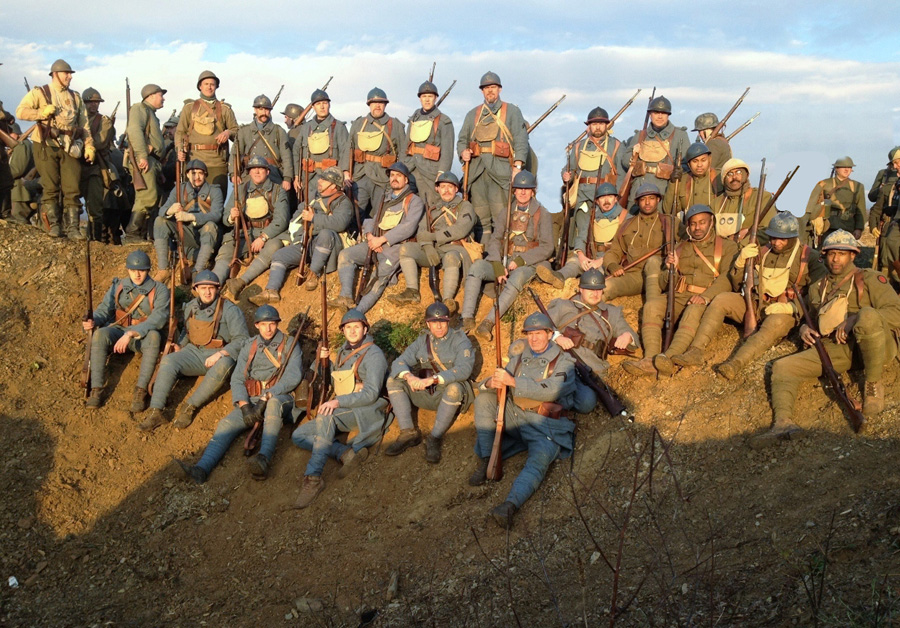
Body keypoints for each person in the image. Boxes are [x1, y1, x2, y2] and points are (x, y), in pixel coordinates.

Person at [757, 230, 900, 447]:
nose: (835, 259)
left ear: (853, 255)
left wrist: (855, 319)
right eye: (831, 254)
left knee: (868, 315)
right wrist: (804, 327)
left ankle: (872, 385)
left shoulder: (870, 278)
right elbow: (810, 316)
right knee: (783, 367)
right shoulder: (818, 287)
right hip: (838, 349)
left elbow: (896, 312)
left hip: (877, 346)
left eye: (842, 254)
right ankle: (783, 423)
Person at [669, 212, 826, 378]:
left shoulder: (810, 257)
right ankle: (696, 350)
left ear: (794, 237)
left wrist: (793, 308)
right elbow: (739, 284)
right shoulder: (762, 251)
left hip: (785, 310)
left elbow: (819, 293)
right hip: (757, 302)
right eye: (773, 237)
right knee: (722, 300)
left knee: (775, 324)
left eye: (782, 239)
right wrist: (740, 264)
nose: (776, 242)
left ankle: (736, 363)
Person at [468, 312, 576, 529]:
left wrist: (513, 382)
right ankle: (489, 459)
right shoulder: (520, 357)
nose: (534, 339)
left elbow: (552, 391)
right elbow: (487, 383)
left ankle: (510, 504)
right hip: (516, 416)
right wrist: (490, 384)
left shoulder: (564, 362)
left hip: (546, 424)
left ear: (549, 334)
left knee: (539, 460)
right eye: (530, 334)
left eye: (538, 333)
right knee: (485, 401)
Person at [176, 305, 302, 482]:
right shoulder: (249, 345)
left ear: (277, 324)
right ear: (257, 325)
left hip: (279, 397)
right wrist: (244, 406)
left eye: (272, 324)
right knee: (226, 424)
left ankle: (263, 458)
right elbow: (237, 379)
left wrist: (267, 396)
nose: (268, 328)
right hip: (252, 398)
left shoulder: (290, 344)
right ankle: (201, 468)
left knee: (273, 405)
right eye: (263, 324)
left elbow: (293, 376)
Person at [623, 204, 738, 377]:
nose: (697, 227)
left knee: (693, 309)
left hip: (704, 298)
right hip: (679, 295)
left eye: (702, 223)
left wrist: (705, 297)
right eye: (693, 224)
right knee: (652, 306)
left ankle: (667, 358)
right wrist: (672, 269)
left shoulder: (727, 247)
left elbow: (727, 278)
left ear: (711, 222)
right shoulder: (680, 247)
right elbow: (663, 283)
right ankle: (649, 359)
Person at [291, 309, 389, 509]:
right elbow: (336, 381)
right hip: (345, 409)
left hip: (367, 410)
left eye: (356, 327)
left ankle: (314, 478)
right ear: (343, 331)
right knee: (299, 435)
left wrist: (337, 402)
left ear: (365, 329)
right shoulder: (344, 351)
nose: (352, 331)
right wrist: (324, 361)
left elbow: (371, 394)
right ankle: (345, 453)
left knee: (326, 415)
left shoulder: (374, 354)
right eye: (348, 327)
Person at [139, 270, 249, 431]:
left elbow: (243, 339)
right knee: (169, 360)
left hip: (218, 354)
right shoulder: (191, 307)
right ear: (196, 289)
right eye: (203, 288)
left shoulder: (230, 310)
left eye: (211, 288)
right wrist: (180, 346)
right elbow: (187, 331)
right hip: (194, 351)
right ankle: (156, 411)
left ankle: (190, 407)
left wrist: (220, 353)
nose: (207, 292)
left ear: (218, 289)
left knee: (225, 363)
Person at [461, 170, 553, 340]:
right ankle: (466, 318)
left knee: (516, 278)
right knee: (477, 268)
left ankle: (488, 322)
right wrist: (496, 264)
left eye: (527, 189)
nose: (523, 192)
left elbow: (547, 247)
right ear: (514, 191)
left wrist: (521, 260)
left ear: (533, 191)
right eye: (519, 188)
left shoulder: (543, 214)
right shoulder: (506, 212)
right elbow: (495, 239)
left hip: (528, 263)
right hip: (504, 258)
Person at [384, 302, 475, 462]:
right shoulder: (422, 340)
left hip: (447, 394)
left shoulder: (460, 340)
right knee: (393, 381)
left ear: (448, 322)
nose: (438, 327)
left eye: (442, 322)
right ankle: (408, 432)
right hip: (426, 393)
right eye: (434, 322)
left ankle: (434, 437)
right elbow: (399, 362)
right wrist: (409, 377)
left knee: (454, 388)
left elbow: (464, 369)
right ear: (428, 323)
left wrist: (433, 379)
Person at [15, 59, 96, 238]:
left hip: (71, 145)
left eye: (70, 74)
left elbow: (84, 124)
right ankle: (54, 226)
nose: (69, 77)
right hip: (46, 144)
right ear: (55, 74)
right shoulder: (40, 92)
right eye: (66, 73)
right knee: (50, 186)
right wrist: (40, 114)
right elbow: (20, 111)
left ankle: (73, 228)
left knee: (72, 188)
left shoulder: (75, 97)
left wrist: (89, 146)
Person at [83, 251, 170, 412]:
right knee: (99, 334)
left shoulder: (160, 290)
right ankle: (96, 389)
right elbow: (104, 309)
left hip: (142, 336)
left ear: (148, 270)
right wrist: (92, 320)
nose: (137, 274)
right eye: (133, 270)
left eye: (142, 270)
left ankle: (141, 390)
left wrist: (131, 333)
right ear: (127, 270)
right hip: (118, 329)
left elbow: (158, 318)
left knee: (154, 337)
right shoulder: (118, 285)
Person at [332, 162, 424, 314]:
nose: (394, 179)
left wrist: (382, 240)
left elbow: (408, 227)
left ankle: (358, 313)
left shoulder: (414, 201)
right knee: (345, 255)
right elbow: (372, 220)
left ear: (406, 180)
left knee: (377, 278)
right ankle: (346, 296)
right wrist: (370, 236)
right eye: (392, 175)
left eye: (398, 176)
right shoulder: (385, 198)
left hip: (394, 248)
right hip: (374, 242)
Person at [251, 167, 352, 304]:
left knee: (325, 233)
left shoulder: (343, 202)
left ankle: (313, 273)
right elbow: (297, 217)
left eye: (324, 179)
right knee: (279, 256)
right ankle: (272, 290)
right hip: (305, 241)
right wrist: (300, 237)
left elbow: (339, 223)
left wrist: (314, 218)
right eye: (321, 178)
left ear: (334, 185)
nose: (320, 181)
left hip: (328, 245)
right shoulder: (313, 197)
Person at [546, 269, 638, 413]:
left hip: (588, 369)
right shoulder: (564, 305)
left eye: (598, 289)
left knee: (587, 402)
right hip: (560, 360)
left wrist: (627, 336)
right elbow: (541, 324)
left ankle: (553, 403)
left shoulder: (612, 313)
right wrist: (557, 337)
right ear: (581, 289)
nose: (595, 294)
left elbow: (632, 336)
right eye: (590, 289)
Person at [456, 72, 528, 243]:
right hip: (477, 172)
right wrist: (462, 152)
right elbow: (462, 140)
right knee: (481, 220)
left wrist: (517, 167)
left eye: (493, 87)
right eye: (486, 88)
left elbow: (521, 139)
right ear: (482, 91)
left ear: (499, 89)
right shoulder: (472, 114)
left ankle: (499, 261)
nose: (490, 91)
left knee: (501, 218)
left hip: (501, 171)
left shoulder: (512, 111)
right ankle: (483, 261)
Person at [391, 171, 476, 313]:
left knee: (451, 257)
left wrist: (434, 237)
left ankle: (448, 300)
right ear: (438, 189)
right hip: (435, 250)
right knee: (406, 249)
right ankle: (412, 291)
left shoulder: (465, 206)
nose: (446, 190)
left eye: (450, 187)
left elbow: (460, 230)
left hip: (455, 249)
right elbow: (422, 231)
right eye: (443, 187)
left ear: (456, 189)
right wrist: (427, 246)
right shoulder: (432, 208)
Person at [211, 156, 289, 299]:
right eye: (253, 169)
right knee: (226, 250)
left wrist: (263, 237)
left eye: (260, 169)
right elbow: (225, 219)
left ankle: (241, 281)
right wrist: (231, 217)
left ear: (267, 171)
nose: (257, 172)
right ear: (249, 172)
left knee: (274, 247)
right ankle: (211, 284)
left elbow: (281, 220)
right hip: (245, 233)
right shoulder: (240, 190)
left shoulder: (278, 190)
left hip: (269, 233)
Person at [536, 182, 628, 289]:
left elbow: (624, 248)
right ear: (597, 201)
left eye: (610, 196)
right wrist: (581, 256)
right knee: (574, 263)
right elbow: (582, 237)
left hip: (609, 260)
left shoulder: (625, 217)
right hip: (591, 257)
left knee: (600, 274)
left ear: (615, 199)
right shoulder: (592, 216)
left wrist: (601, 261)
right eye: (602, 197)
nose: (606, 201)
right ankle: (558, 276)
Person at [152, 158, 223, 281]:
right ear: (187, 174)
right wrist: (170, 210)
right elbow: (162, 210)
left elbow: (217, 214)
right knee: (160, 221)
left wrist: (192, 217)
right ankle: (163, 269)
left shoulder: (214, 190)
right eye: (193, 173)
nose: (197, 177)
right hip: (186, 234)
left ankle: (198, 270)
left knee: (210, 226)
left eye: (200, 173)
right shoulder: (179, 189)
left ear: (205, 175)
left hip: (206, 235)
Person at [599, 183, 669, 301]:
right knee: (606, 287)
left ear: (658, 200)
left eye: (651, 198)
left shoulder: (670, 222)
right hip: (635, 276)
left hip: (660, 275)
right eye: (643, 199)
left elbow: (686, 245)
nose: (647, 203)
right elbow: (614, 251)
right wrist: (612, 265)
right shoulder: (627, 225)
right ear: (637, 202)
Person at [175, 70, 239, 198]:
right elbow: (180, 132)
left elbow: (236, 131)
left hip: (217, 163)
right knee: (192, 202)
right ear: (200, 86)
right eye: (206, 84)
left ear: (216, 86)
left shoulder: (225, 109)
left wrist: (227, 132)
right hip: (193, 161)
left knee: (217, 200)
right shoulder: (189, 108)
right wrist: (179, 149)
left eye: (212, 84)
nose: (209, 87)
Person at [618, 95, 690, 206]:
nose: (659, 116)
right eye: (656, 113)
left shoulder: (680, 135)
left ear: (668, 115)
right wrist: (634, 156)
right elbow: (625, 160)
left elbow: (686, 163)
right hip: (639, 189)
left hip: (664, 190)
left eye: (663, 113)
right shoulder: (640, 135)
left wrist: (677, 173)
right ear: (650, 114)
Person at [348, 88, 406, 216]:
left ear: (385, 105)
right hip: (360, 175)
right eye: (374, 103)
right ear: (369, 105)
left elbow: (403, 152)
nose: (377, 106)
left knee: (381, 213)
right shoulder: (358, 124)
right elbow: (348, 148)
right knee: (355, 211)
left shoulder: (395, 125)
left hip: (383, 177)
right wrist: (346, 171)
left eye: (381, 103)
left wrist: (399, 176)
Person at [123, 84, 166, 244]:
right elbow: (134, 130)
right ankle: (132, 234)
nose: (163, 98)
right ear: (151, 95)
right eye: (161, 95)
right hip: (146, 160)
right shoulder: (139, 108)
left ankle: (139, 235)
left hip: (152, 161)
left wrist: (158, 169)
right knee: (146, 197)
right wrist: (142, 156)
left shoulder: (151, 113)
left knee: (150, 197)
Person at [402, 80, 455, 208]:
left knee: (431, 206)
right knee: (408, 205)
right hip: (411, 170)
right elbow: (406, 146)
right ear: (419, 98)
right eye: (424, 96)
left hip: (430, 170)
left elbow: (447, 151)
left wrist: (441, 173)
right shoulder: (413, 119)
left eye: (430, 96)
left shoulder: (444, 121)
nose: (427, 100)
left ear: (435, 98)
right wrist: (403, 169)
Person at [292, 89, 351, 202]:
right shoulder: (306, 128)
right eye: (318, 104)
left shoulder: (339, 127)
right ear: (313, 107)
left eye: (325, 103)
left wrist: (345, 172)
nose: (322, 107)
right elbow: (296, 151)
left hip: (331, 180)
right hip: (309, 178)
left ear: (329, 105)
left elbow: (345, 151)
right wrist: (296, 175)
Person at [803, 157, 867, 245]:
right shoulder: (824, 184)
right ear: (836, 168)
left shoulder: (858, 186)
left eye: (849, 167)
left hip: (848, 226)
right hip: (828, 226)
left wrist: (859, 228)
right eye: (843, 167)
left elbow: (861, 209)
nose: (847, 170)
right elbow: (812, 204)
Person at [233, 95, 293, 190]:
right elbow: (235, 155)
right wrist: (234, 174)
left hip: (273, 173)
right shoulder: (244, 131)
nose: (264, 113)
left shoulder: (279, 131)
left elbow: (286, 156)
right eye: (261, 109)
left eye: (267, 110)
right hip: (250, 175)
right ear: (255, 110)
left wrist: (287, 178)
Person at [80, 87, 116, 241]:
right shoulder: (77, 119)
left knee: (95, 206)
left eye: (96, 102)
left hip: (95, 167)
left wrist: (81, 144)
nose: (94, 105)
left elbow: (100, 143)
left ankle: (96, 240)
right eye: (90, 102)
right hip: (76, 166)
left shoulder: (103, 121)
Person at [713, 158, 775, 245]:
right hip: (721, 253)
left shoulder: (761, 197)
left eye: (738, 172)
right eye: (729, 174)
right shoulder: (716, 203)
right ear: (724, 179)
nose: (734, 177)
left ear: (746, 175)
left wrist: (743, 243)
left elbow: (768, 230)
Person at [663, 141, 721, 217]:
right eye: (695, 161)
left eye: (703, 160)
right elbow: (668, 210)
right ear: (689, 164)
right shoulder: (682, 180)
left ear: (709, 160)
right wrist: (673, 183)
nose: (699, 165)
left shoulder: (718, 177)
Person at [869, 148, 900, 283]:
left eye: (897, 163)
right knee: (886, 261)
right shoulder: (890, 186)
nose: (895, 167)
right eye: (893, 164)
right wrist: (873, 225)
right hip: (890, 225)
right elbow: (876, 207)